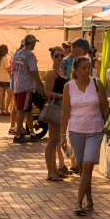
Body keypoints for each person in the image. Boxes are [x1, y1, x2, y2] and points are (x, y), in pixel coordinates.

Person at [60, 56, 109, 214]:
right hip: (76, 130)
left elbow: (106, 109)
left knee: (88, 166)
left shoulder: (97, 83)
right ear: (75, 71)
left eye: (89, 67)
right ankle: (89, 200)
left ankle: (78, 203)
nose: (88, 70)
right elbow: (65, 111)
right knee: (82, 167)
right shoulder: (69, 86)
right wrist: (62, 134)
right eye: (84, 68)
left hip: (95, 130)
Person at [12, 34, 44, 144]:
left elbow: (13, 69)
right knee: (22, 110)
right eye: (34, 43)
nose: (35, 45)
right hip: (26, 87)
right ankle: (17, 135)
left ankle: (32, 133)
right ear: (32, 43)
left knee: (28, 110)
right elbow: (34, 72)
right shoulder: (30, 55)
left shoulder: (18, 53)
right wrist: (41, 85)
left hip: (18, 85)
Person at [44, 46, 69, 181]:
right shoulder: (51, 72)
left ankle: (54, 169)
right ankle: (50, 171)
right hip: (55, 108)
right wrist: (63, 96)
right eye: (57, 55)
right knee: (52, 141)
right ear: (52, 56)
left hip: (62, 108)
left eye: (61, 55)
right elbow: (47, 93)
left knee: (57, 141)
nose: (59, 57)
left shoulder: (61, 72)